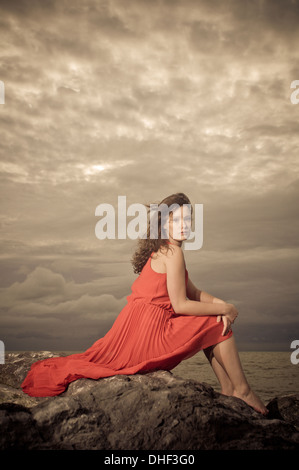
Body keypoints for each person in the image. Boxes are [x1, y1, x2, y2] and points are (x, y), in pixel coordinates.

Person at [21, 192, 268, 415]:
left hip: (133, 329)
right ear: (163, 223)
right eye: (175, 220)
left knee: (213, 317)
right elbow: (181, 305)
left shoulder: (164, 250)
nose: (183, 226)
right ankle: (242, 390)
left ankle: (229, 389)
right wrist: (224, 310)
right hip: (149, 333)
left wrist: (224, 303)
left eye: (187, 220)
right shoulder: (173, 253)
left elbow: (194, 291)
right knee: (214, 319)